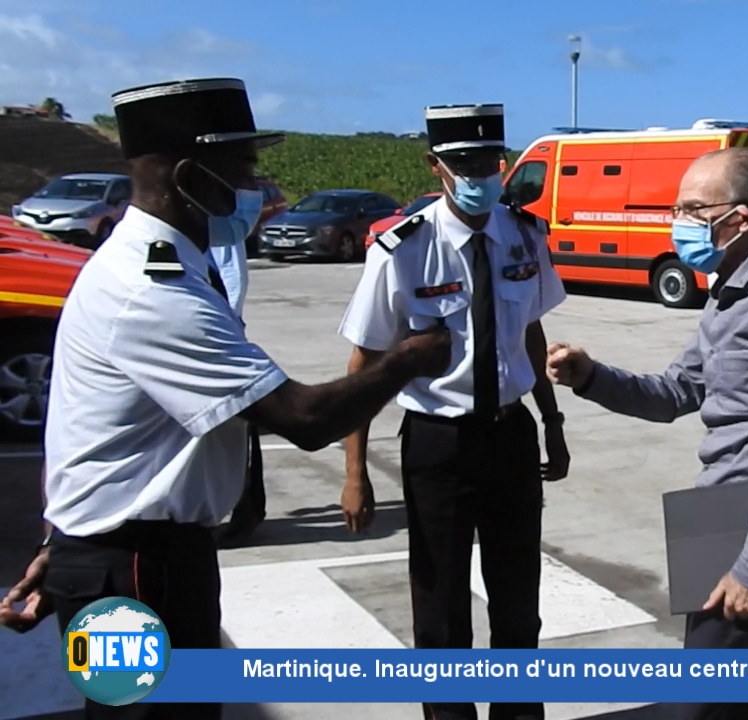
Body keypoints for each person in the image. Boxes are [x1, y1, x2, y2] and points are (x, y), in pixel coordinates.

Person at [0, 77, 452, 720]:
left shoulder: (173, 265)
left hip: (124, 551)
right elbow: (302, 418)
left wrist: (63, 537)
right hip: (135, 567)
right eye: (239, 166)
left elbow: (85, 430)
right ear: (189, 173)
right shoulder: (151, 290)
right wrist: (408, 359)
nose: (255, 186)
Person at [546, 147, 748, 720]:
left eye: (692, 208)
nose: (677, 221)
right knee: (714, 708)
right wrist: (591, 377)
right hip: (717, 511)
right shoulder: (727, 289)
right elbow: (677, 391)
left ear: (741, 218)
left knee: (698, 710)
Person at [338, 102, 570, 720]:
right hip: (438, 445)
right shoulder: (402, 250)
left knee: (519, 602)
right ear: (436, 166)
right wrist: (355, 471)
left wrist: (552, 423)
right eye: (461, 164)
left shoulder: (524, 235)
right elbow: (364, 363)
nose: (478, 177)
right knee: (441, 612)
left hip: (510, 438)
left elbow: (531, 333)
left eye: (487, 163)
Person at [206, 227, 267, 547]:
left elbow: (233, 278)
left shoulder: (220, 228)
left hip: (223, 334)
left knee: (238, 432)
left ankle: (246, 512)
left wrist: (230, 326)